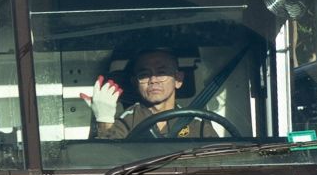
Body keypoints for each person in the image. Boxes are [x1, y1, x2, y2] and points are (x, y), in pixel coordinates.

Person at [85, 47, 222, 140]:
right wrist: (104, 120)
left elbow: (220, 160)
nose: (153, 80)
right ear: (135, 83)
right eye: (144, 74)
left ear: (178, 80)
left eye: (162, 72)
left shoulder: (197, 122)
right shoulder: (127, 120)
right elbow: (109, 158)